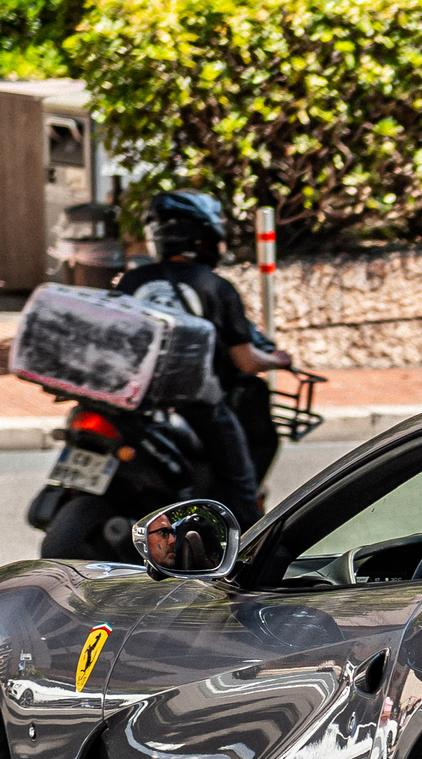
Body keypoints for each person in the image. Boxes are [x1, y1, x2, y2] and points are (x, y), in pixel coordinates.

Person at [116, 190, 292, 527]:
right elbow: (246, 362)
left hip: (129, 402)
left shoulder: (130, 281)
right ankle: (247, 553)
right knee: (240, 485)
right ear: (205, 236)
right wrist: (278, 361)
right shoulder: (215, 286)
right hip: (197, 405)